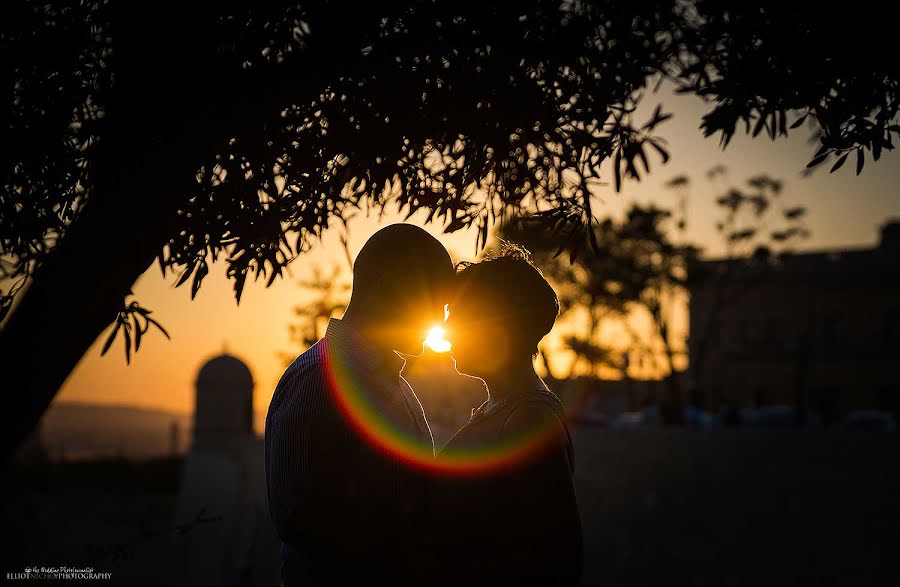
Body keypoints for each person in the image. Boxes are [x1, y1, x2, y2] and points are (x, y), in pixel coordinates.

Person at [264, 224, 456, 586]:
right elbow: (297, 516)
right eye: (435, 304)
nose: (440, 321)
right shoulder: (320, 380)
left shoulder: (393, 384)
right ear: (388, 289)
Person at [437, 243, 583, 587]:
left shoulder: (528, 418)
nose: (447, 329)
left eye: (460, 316)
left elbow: (557, 559)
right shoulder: (506, 408)